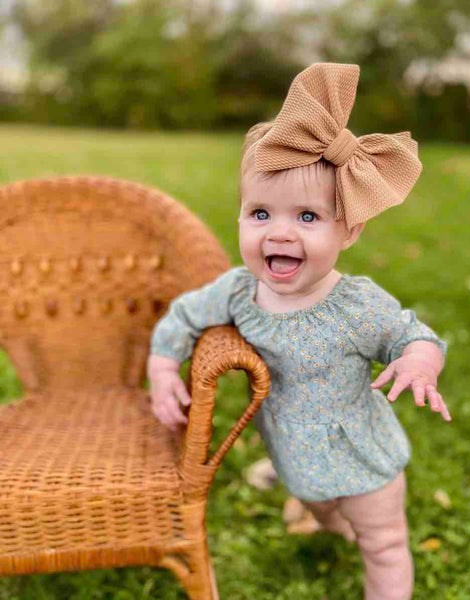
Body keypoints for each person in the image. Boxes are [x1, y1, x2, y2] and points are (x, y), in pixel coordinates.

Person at [147, 63, 450, 600]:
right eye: (259, 213)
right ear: (239, 217)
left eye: (307, 217)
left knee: (380, 541)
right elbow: (183, 316)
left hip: (364, 461)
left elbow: (412, 333)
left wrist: (419, 359)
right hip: (294, 458)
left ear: (348, 230)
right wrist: (163, 365)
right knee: (326, 514)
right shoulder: (238, 291)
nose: (279, 232)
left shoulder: (355, 306)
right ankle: (324, 522)